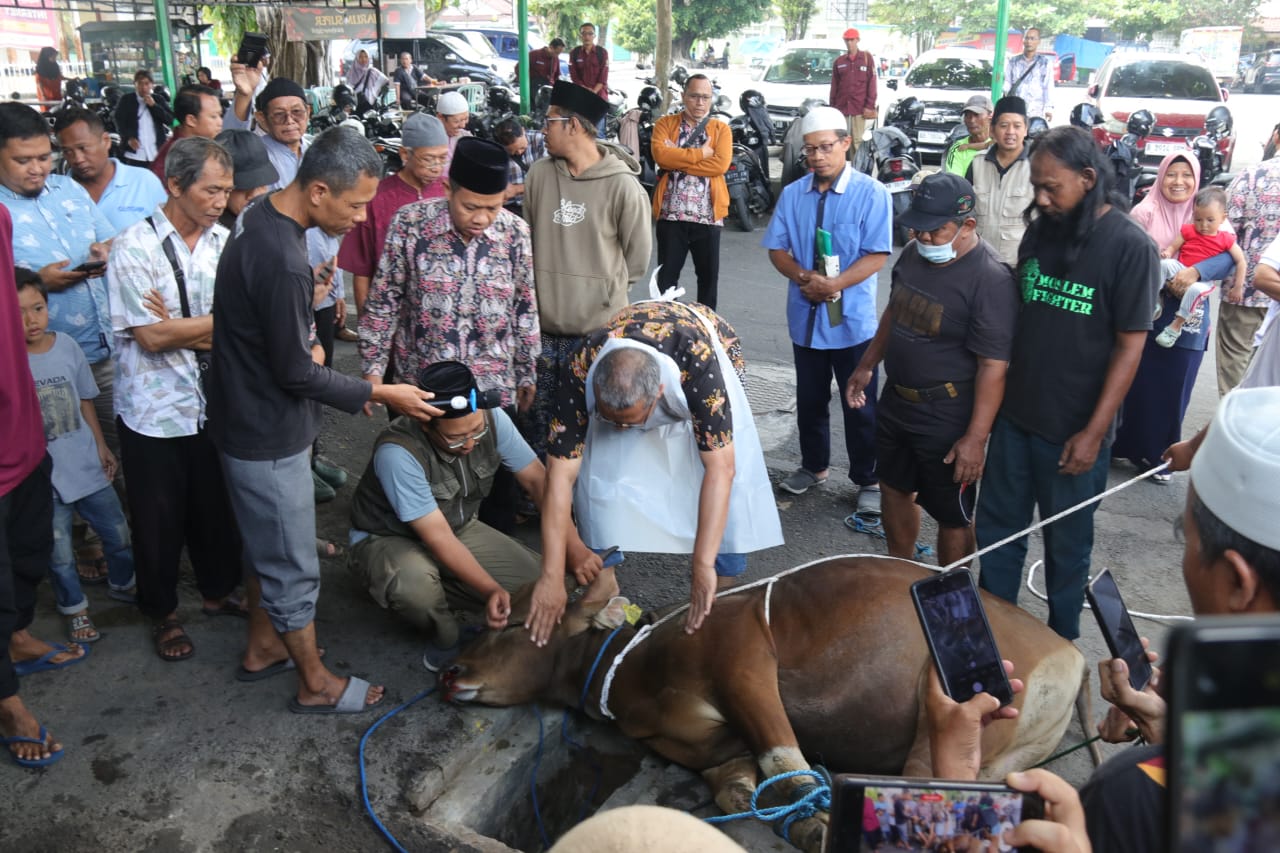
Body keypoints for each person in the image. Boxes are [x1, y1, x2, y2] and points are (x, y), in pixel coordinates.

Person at [206, 127, 440, 713]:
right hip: (266, 432)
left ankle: (264, 646)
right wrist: (377, 389)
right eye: (355, 204)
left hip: (245, 416)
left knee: (266, 545)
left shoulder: (259, 219)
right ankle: (315, 683)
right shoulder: (284, 259)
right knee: (290, 562)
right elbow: (295, 372)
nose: (362, 218)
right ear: (316, 191)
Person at [975, 126, 1158, 640]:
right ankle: (998, 638)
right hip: (1016, 420)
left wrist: (1094, 433)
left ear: (1088, 178)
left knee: (1066, 545)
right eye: (1036, 185)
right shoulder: (1042, 230)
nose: (1041, 197)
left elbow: (1131, 346)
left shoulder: (1130, 246)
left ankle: (1061, 643)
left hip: (1075, 431)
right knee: (997, 537)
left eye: (1052, 187)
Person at [523, 300, 783, 646]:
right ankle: (604, 581)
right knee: (595, 477)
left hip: (709, 344)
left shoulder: (699, 364)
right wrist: (551, 576)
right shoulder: (581, 364)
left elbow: (721, 470)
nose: (621, 428)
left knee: (725, 473)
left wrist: (701, 564)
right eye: (611, 419)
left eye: (630, 420)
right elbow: (559, 477)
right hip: (629, 355)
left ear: (659, 391)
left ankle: (721, 584)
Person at [348, 361, 594, 669]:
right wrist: (489, 589)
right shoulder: (398, 453)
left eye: (476, 432)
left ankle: (443, 583)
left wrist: (576, 547)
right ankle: (443, 633)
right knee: (416, 589)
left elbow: (538, 482)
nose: (468, 444)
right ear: (425, 422)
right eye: (455, 438)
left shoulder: (492, 419)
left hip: (456, 525)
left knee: (533, 586)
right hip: (387, 536)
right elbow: (437, 537)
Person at [108, 137, 248, 662]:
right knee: (157, 517)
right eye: (211, 190)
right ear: (174, 185)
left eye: (227, 191)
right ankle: (161, 612)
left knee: (215, 506)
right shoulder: (133, 246)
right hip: (152, 408)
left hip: (212, 401)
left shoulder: (224, 242)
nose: (220, 201)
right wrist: (209, 327)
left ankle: (217, 591)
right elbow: (150, 338)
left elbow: (244, 326)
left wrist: (178, 324)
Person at [845, 173, 1019, 567]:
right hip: (897, 401)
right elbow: (895, 310)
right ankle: (899, 571)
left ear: (967, 226)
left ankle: (950, 591)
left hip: (947, 414)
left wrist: (975, 438)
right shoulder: (912, 254)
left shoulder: (990, 279)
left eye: (935, 230)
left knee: (951, 513)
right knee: (893, 488)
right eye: (917, 227)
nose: (923, 238)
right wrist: (868, 364)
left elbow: (993, 366)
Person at [762, 106, 891, 515]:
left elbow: (877, 255)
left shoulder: (872, 193)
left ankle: (867, 478)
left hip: (852, 322)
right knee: (810, 399)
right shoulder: (793, 194)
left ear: (846, 144)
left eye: (825, 147)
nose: (817, 156)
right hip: (807, 317)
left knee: (860, 404)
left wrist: (834, 284)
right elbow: (777, 250)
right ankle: (813, 466)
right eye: (810, 150)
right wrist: (805, 278)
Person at [361, 136, 538, 426]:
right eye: (470, 207)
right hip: (422, 386)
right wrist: (373, 371)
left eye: (492, 208)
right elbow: (384, 300)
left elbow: (524, 307)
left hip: (491, 386)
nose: (481, 218)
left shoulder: (516, 232)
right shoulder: (410, 223)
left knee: (488, 465)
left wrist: (527, 370)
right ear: (447, 190)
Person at [1, 205, 88, 770]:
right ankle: (9, 706)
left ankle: (18, 637)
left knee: (29, 554)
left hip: (22, 434)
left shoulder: (1, 218)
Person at [521, 80, 651, 457]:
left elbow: (637, 260)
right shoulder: (539, 175)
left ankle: (583, 509)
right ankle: (536, 503)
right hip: (541, 333)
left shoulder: (623, 186)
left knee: (592, 427)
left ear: (574, 126)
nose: (542, 130)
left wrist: (599, 293)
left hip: (597, 335)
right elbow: (527, 242)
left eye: (549, 122)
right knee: (535, 423)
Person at [20, 269, 134, 644]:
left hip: (86, 464)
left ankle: (124, 584)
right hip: (43, 477)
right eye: (18, 312)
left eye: (37, 308)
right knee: (60, 554)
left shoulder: (67, 345)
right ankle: (75, 610)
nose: (30, 319)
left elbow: (85, 399)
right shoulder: (10, 360)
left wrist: (101, 446)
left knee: (116, 533)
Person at [0, 103, 117, 458]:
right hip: (41, 369)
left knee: (120, 453)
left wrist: (103, 251)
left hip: (107, 353)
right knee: (68, 461)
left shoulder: (69, 189)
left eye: (44, 157)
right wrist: (39, 282)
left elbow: (110, 238)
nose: (38, 169)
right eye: (23, 161)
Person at [1113, 154, 1238, 483]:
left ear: (1197, 180)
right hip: (1146, 307)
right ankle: (1120, 445)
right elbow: (1125, 253)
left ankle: (1159, 456)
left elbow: (1228, 258)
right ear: (1160, 177)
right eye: (1172, 174)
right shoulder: (1143, 211)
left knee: (1173, 386)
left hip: (1190, 318)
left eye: (1186, 175)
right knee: (1132, 382)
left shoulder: (1208, 213)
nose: (1178, 181)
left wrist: (1196, 270)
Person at [339, 112, 448, 320]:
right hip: (391, 315)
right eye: (428, 159)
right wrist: (366, 324)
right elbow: (362, 270)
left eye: (442, 158)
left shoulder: (450, 192)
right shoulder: (376, 197)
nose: (436, 167)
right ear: (405, 155)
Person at [651, 73, 731, 309]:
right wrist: (701, 154)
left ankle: (706, 334)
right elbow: (661, 157)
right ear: (684, 96)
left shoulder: (721, 129)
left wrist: (677, 158)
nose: (700, 102)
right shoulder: (665, 124)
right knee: (666, 282)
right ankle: (664, 332)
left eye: (705, 97)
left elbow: (720, 165)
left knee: (708, 282)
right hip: (671, 215)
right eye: (694, 96)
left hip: (707, 217)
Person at [1221, 142, 1280, 395]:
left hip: (1244, 290)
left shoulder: (1253, 175)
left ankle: (1232, 424)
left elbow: (1223, 228)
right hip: (1267, 289)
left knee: (1234, 369)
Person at [1154, 187, 1245, 348]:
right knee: (1164, 265)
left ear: (1223, 218)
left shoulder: (1226, 239)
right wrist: (1168, 252)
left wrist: (1237, 287)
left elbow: (1241, 261)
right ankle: (1154, 299)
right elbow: (1174, 246)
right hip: (1181, 268)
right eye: (1198, 219)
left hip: (1203, 280)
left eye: (1210, 220)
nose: (1203, 225)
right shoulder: (1189, 230)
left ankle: (1176, 325)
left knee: (1195, 290)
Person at [52, 106, 168, 232]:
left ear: (106, 141)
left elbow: (168, 233)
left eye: (83, 148)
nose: (78, 159)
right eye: (67, 151)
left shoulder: (144, 182)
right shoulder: (56, 194)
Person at [967, 96, 1032, 266]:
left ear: (1025, 130)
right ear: (993, 130)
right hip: (979, 261)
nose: (1010, 132)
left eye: (1017, 126)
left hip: (1018, 265)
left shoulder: (1037, 166)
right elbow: (964, 211)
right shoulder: (977, 163)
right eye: (1004, 125)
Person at [224, 73, 311, 187]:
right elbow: (229, 143)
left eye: (296, 112)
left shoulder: (316, 150)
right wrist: (244, 95)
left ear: (308, 112)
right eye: (279, 114)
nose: (289, 120)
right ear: (262, 118)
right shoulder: (256, 153)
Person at [149, 85, 224, 181]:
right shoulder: (173, 160)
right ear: (191, 120)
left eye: (220, 115)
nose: (220, 122)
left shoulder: (203, 146)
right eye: (213, 116)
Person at [213, 129, 279, 230]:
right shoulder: (209, 232)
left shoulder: (275, 224)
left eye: (261, 184)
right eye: (243, 187)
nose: (252, 195)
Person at [829, 28, 878, 156]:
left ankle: (857, 171)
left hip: (859, 107)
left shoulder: (867, 59)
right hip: (841, 107)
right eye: (847, 40)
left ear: (857, 40)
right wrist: (832, 108)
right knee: (840, 142)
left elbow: (872, 83)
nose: (849, 43)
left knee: (857, 141)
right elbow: (834, 86)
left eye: (852, 40)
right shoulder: (839, 62)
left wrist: (869, 105)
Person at [115, 70, 173, 169]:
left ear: (152, 85)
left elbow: (169, 119)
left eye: (147, 83)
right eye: (140, 83)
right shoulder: (127, 100)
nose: (144, 87)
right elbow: (119, 121)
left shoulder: (158, 99)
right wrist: (129, 138)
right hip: (135, 153)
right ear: (135, 84)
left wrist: (154, 106)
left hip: (155, 151)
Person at [492, 117, 546, 217]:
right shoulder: (495, 151)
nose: (519, 152)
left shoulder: (541, 140)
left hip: (540, 205)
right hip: (512, 209)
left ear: (523, 130)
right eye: (512, 152)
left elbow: (549, 179)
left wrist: (516, 189)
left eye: (521, 148)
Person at [569, 23, 610, 137]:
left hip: (599, 98)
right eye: (584, 33)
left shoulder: (602, 53)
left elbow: (603, 77)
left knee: (599, 133)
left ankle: (602, 154)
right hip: (581, 98)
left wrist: (593, 92)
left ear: (594, 36)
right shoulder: (574, 53)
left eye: (590, 33)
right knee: (581, 132)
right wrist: (585, 90)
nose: (587, 36)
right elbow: (574, 76)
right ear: (580, 36)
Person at [1006, 28, 1053, 122]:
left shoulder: (1045, 63)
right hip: (1015, 110)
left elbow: (1048, 86)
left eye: (1032, 38)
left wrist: (1049, 108)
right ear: (1023, 40)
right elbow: (1007, 83)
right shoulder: (1013, 61)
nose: (1029, 41)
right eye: (1026, 38)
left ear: (1038, 41)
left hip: (1035, 112)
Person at [943, 95, 993, 177]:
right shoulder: (957, 148)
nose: (971, 120)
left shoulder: (1001, 143)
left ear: (990, 116)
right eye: (967, 115)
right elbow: (955, 183)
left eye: (977, 115)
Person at [436, 90, 472, 169]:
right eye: (456, 121)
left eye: (466, 119)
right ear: (440, 117)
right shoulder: (428, 140)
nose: (463, 125)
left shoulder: (466, 137)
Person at [346, 48, 389, 113]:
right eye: (360, 57)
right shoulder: (351, 72)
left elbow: (385, 81)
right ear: (357, 58)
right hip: (355, 105)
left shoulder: (372, 71)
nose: (363, 59)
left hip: (369, 105)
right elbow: (348, 88)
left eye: (366, 57)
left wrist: (379, 93)